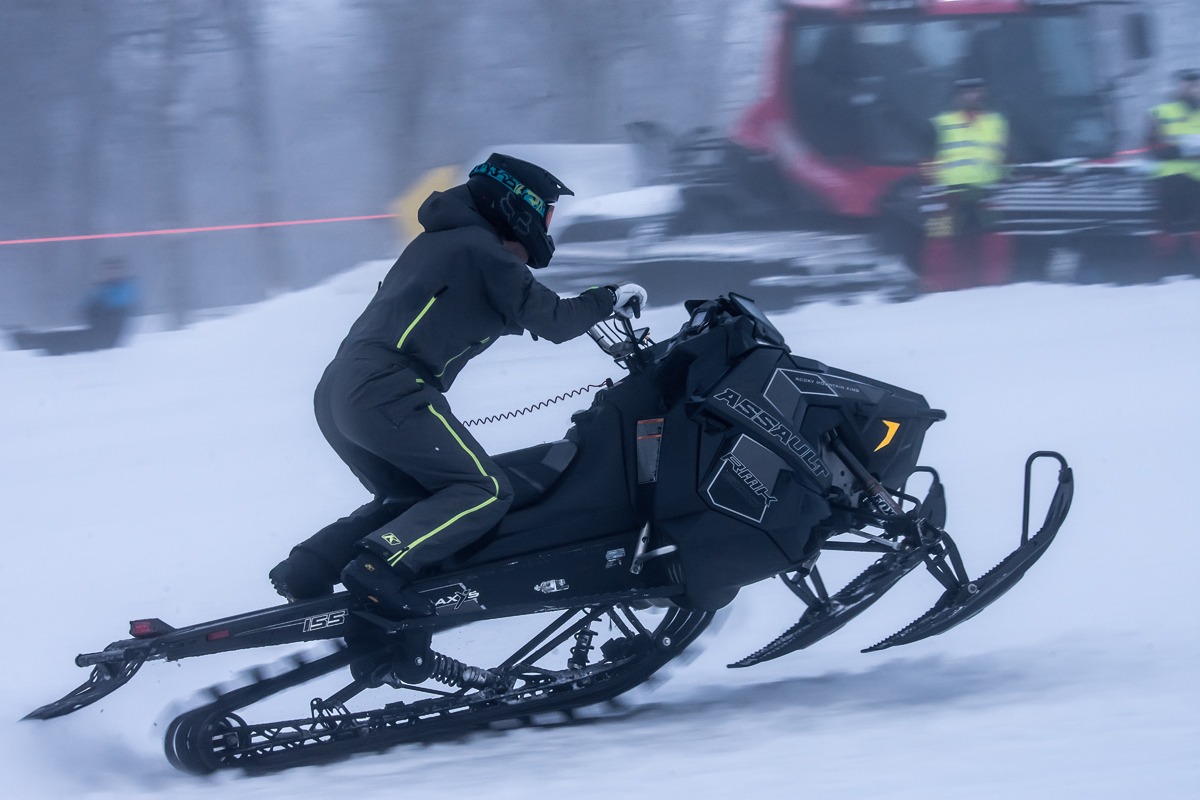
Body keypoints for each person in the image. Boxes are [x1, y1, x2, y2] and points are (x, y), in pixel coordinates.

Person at [269, 154, 647, 620]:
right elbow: (553, 320)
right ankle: (377, 568)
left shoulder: (444, 243)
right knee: (484, 489)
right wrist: (609, 298)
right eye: (546, 213)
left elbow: (473, 312)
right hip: (389, 388)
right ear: (517, 207)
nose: (546, 227)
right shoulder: (484, 252)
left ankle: (309, 566)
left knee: (413, 500)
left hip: (341, 390)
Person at [920, 78, 1011, 293]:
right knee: (939, 241)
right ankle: (936, 287)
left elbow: (1006, 158)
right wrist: (933, 187)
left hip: (987, 193)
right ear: (957, 97)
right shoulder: (941, 124)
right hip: (950, 195)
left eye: (976, 91)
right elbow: (927, 160)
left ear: (983, 93)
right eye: (966, 92)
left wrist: (1005, 180)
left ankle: (995, 287)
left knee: (996, 240)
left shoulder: (997, 123)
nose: (972, 96)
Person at [8, 258, 138, 355]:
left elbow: (106, 315)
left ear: (121, 272)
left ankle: (31, 341)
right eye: (107, 271)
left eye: (113, 271)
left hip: (107, 339)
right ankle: (29, 339)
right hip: (98, 333)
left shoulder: (123, 290)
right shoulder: (104, 290)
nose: (109, 274)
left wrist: (95, 306)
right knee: (63, 336)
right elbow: (86, 312)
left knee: (66, 342)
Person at [1147, 69, 1200, 267]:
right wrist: (1183, 149)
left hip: (1195, 182)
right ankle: (1161, 269)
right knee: (1167, 232)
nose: (1194, 90)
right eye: (1189, 85)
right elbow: (1153, 146)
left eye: (1196, 85)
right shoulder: (1161, 113)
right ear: (1177, 88)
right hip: (1172, 182)